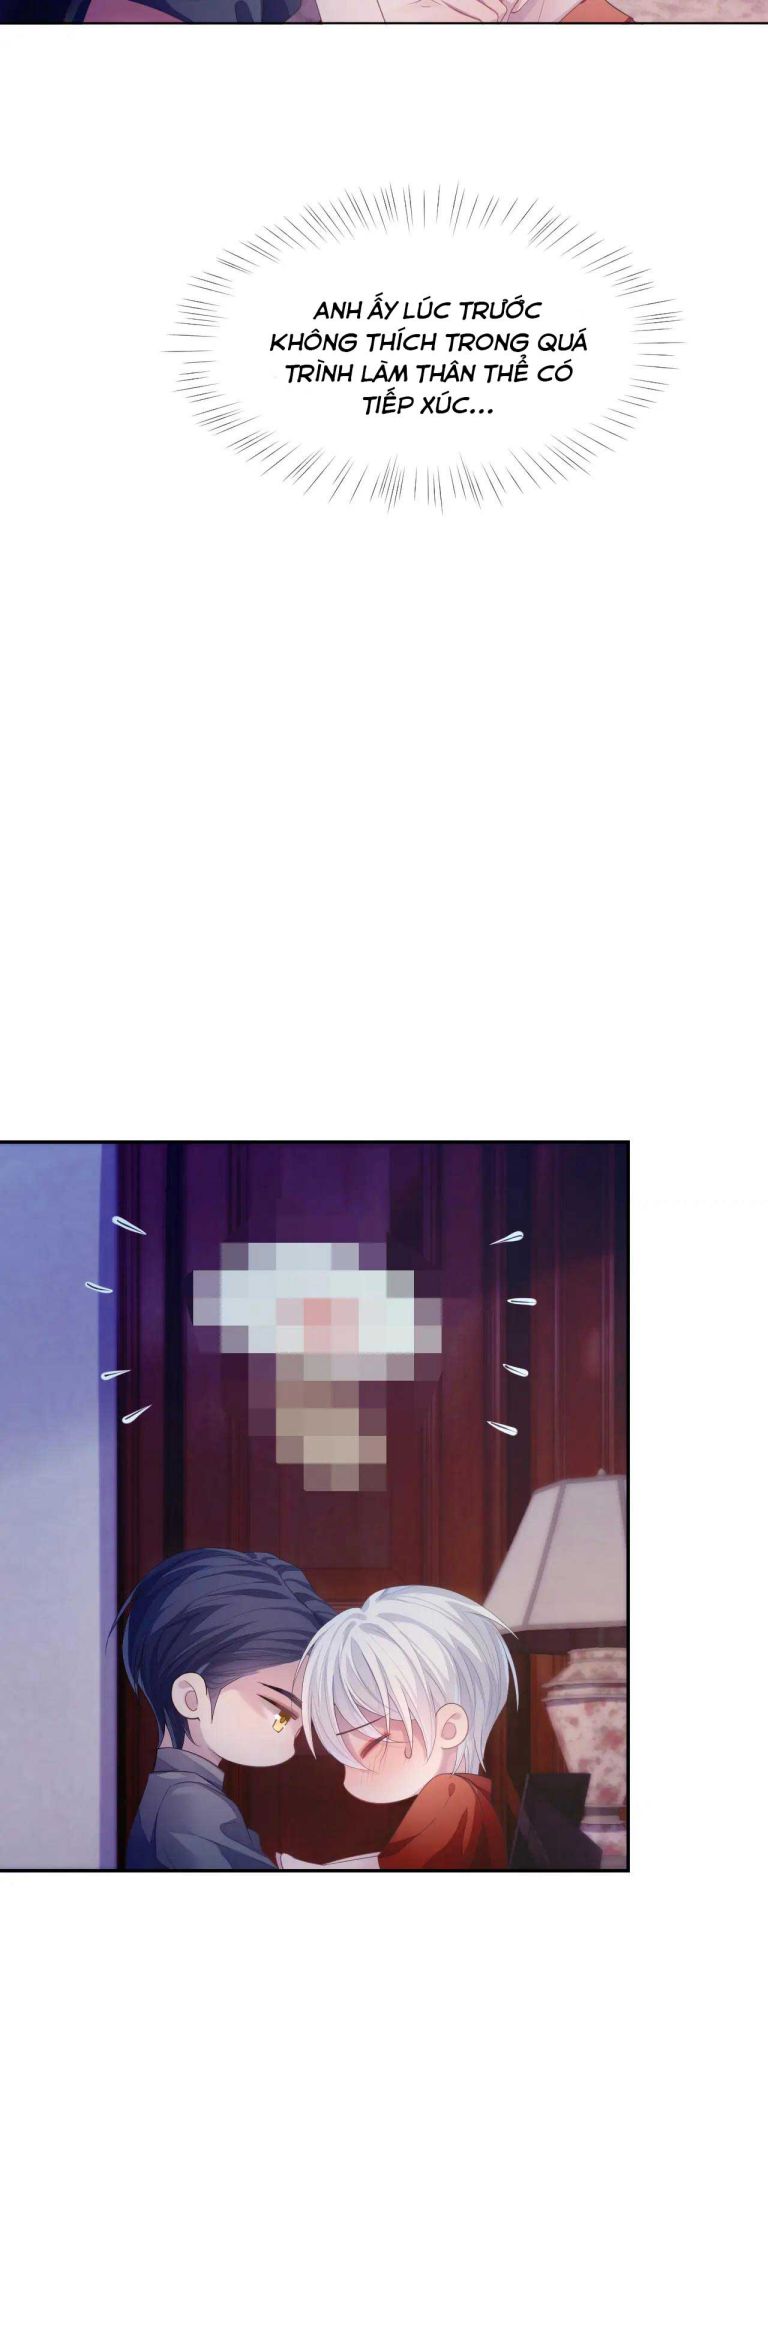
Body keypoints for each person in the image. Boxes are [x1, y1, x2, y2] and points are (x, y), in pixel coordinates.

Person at [117, 1546, 332, 1870]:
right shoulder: (190, 1807)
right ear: (192, 1698)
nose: (294, 1734)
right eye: (281, 1711)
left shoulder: (182, 1796)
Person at [296, 1584, 517, 1870]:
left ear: (449, 1729)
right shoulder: (465, 1797)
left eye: (376, 1743)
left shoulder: (451, 1794)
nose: (353, 1769)